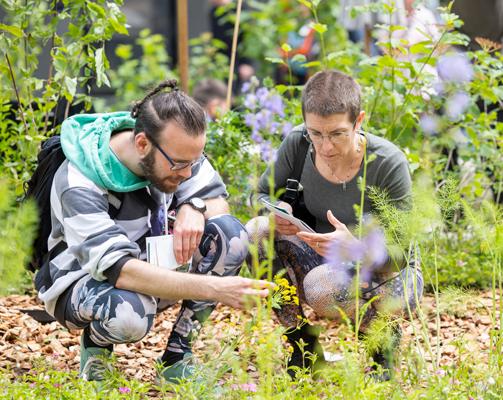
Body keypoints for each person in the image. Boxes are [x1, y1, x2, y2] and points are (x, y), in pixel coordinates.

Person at [35, 79, 270, 386]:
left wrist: (195, 205)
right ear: (142, 144)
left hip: (149, 268)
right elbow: (120, 271)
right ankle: (96, 347)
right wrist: (215, 289)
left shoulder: (175, 149)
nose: (188, 173)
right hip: (81, 282)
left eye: (194, 162)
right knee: (130, 313)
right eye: (180, 164)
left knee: (232, 234)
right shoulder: (79, 180)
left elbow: (218, 205)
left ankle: (177, 356)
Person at [246, 70, 423, 381]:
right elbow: (259, 194)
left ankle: (382, 344)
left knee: (321, 285)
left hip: (389, 272)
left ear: (359, 121)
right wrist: (276, 211)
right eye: (316, 133)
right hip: (322, 255)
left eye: (338, 134)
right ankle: (303, 346)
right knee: (256, 230)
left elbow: (401, 251)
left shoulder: (386, 162)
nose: (325, 146)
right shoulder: (298, 145)